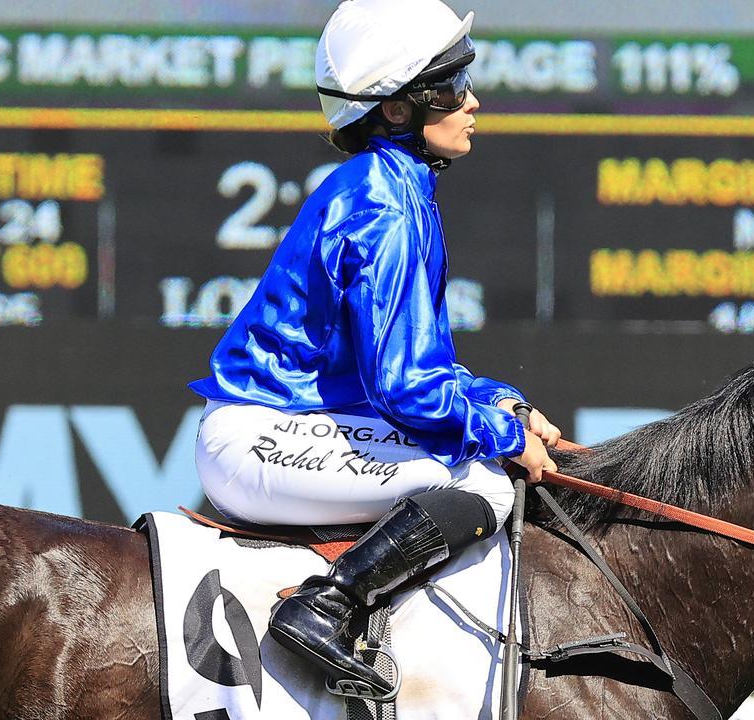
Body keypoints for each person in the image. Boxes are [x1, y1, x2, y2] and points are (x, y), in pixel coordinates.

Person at [188, 0, 560, 697]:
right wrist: (501, 433)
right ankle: (326, 607)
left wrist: (500, 401)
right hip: (258, 437)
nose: (472, 101)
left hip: (285, 425)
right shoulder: (385, 206)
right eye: (452, 88)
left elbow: (421, 371)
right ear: (396, 111)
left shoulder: (397, 188)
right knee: (478, 481)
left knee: (479, 460)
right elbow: (404, 390)